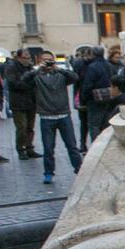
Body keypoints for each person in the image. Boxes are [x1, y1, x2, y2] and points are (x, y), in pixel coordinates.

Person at [26, 52, 81, 184]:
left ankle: (80, 169)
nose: (48, 63)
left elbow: (75, 78)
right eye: (45, 60)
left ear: (54, 61)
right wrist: (39, 69)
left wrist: (59, 69)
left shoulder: (61, 74)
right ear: (40, 61)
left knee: (72, 146)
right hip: (46, 116)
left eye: (50, 60)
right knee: (48, 148)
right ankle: (49, 173)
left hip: (64, 115)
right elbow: (24, 80)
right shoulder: (37, 76)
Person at [3, 48, 40, 160]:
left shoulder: (30, 68)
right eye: (25, 57)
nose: (28, 59)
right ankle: (21, 149)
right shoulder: (11, 68)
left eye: (29, 57)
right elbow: (14, 83)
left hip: (31, 102)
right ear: (18, 57)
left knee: (30, 127)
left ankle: (30, 148)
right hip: (18, 103)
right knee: (21, 128)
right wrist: (29, 85)